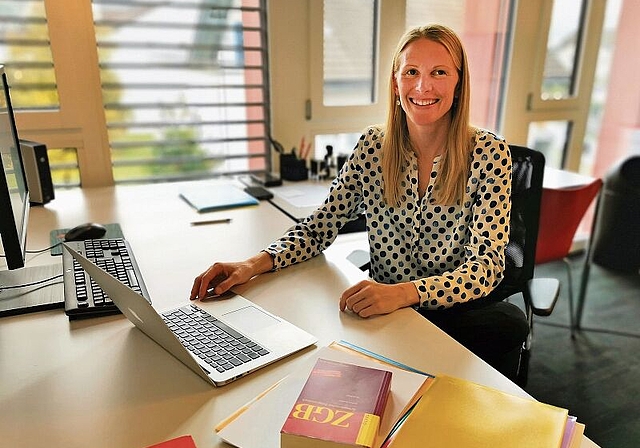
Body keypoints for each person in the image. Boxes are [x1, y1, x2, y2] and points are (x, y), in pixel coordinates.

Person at [191, 24, 529, 380]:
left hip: (454, 313)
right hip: (385, 318)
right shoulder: (373, 147)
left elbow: (486, 267)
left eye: (439, 72)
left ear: (459, 85)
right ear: (396, 83)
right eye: (411, 72)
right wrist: (251, 264)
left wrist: (405, 293)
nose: (422, 86)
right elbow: (320, 227)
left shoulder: (488, 153)